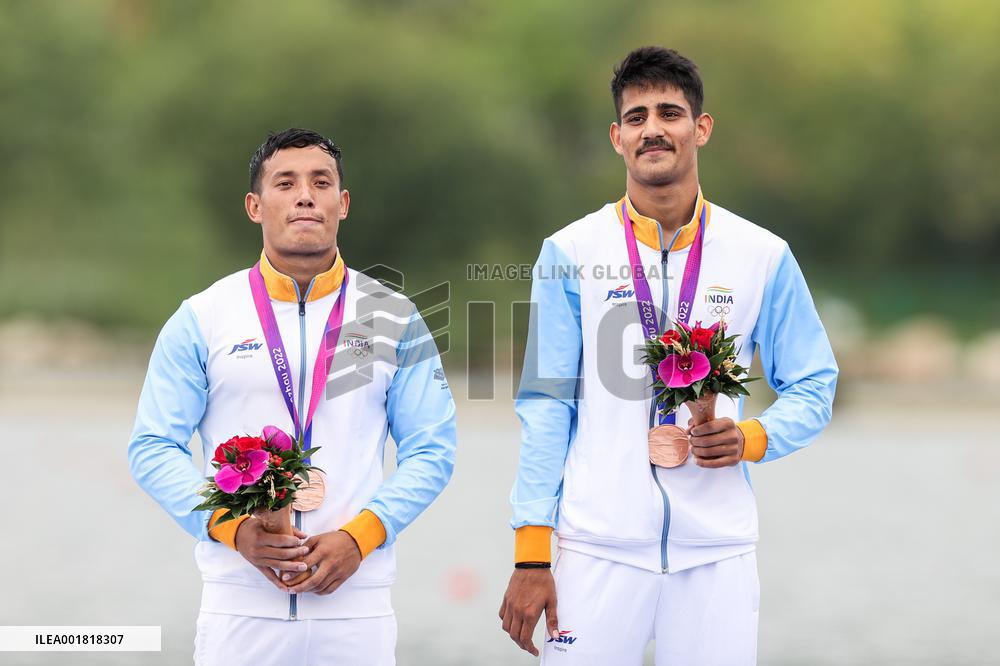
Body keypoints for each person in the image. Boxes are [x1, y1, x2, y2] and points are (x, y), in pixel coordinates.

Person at [499, 47, 838, 665]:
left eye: (670, 113)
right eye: (637, 117)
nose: (652, 128)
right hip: (595, 549)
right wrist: (531, 554)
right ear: (617, 138)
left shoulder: (761, 254)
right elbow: (546, 407)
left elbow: (815, 385)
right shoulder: (570, 251)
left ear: (700, 128)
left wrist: (753, 438)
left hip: (716, 553)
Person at [129, 128, 456, 665]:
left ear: (342, 204)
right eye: (285, 183)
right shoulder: (204, 317)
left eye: (320, 182)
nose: (305, 195)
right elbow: (152, 447)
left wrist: (361, 537)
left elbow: (433, 450)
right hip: (240, 605)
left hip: (356, 605)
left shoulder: (392, 316)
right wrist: (232, 530)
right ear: (255, 206)